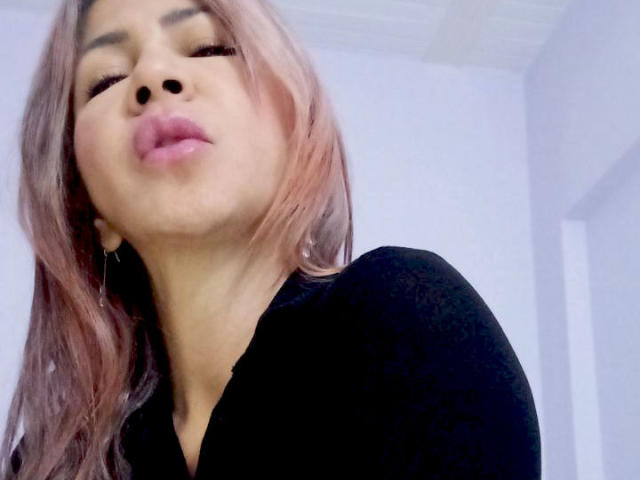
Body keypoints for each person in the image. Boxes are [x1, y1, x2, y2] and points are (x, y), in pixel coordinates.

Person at [1, 0, 541, 479]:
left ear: (294, 136)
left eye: (208, 47)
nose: (154, 76)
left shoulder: (406, 321)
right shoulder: (52, 464)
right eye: (106, 79)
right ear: (91, 212)